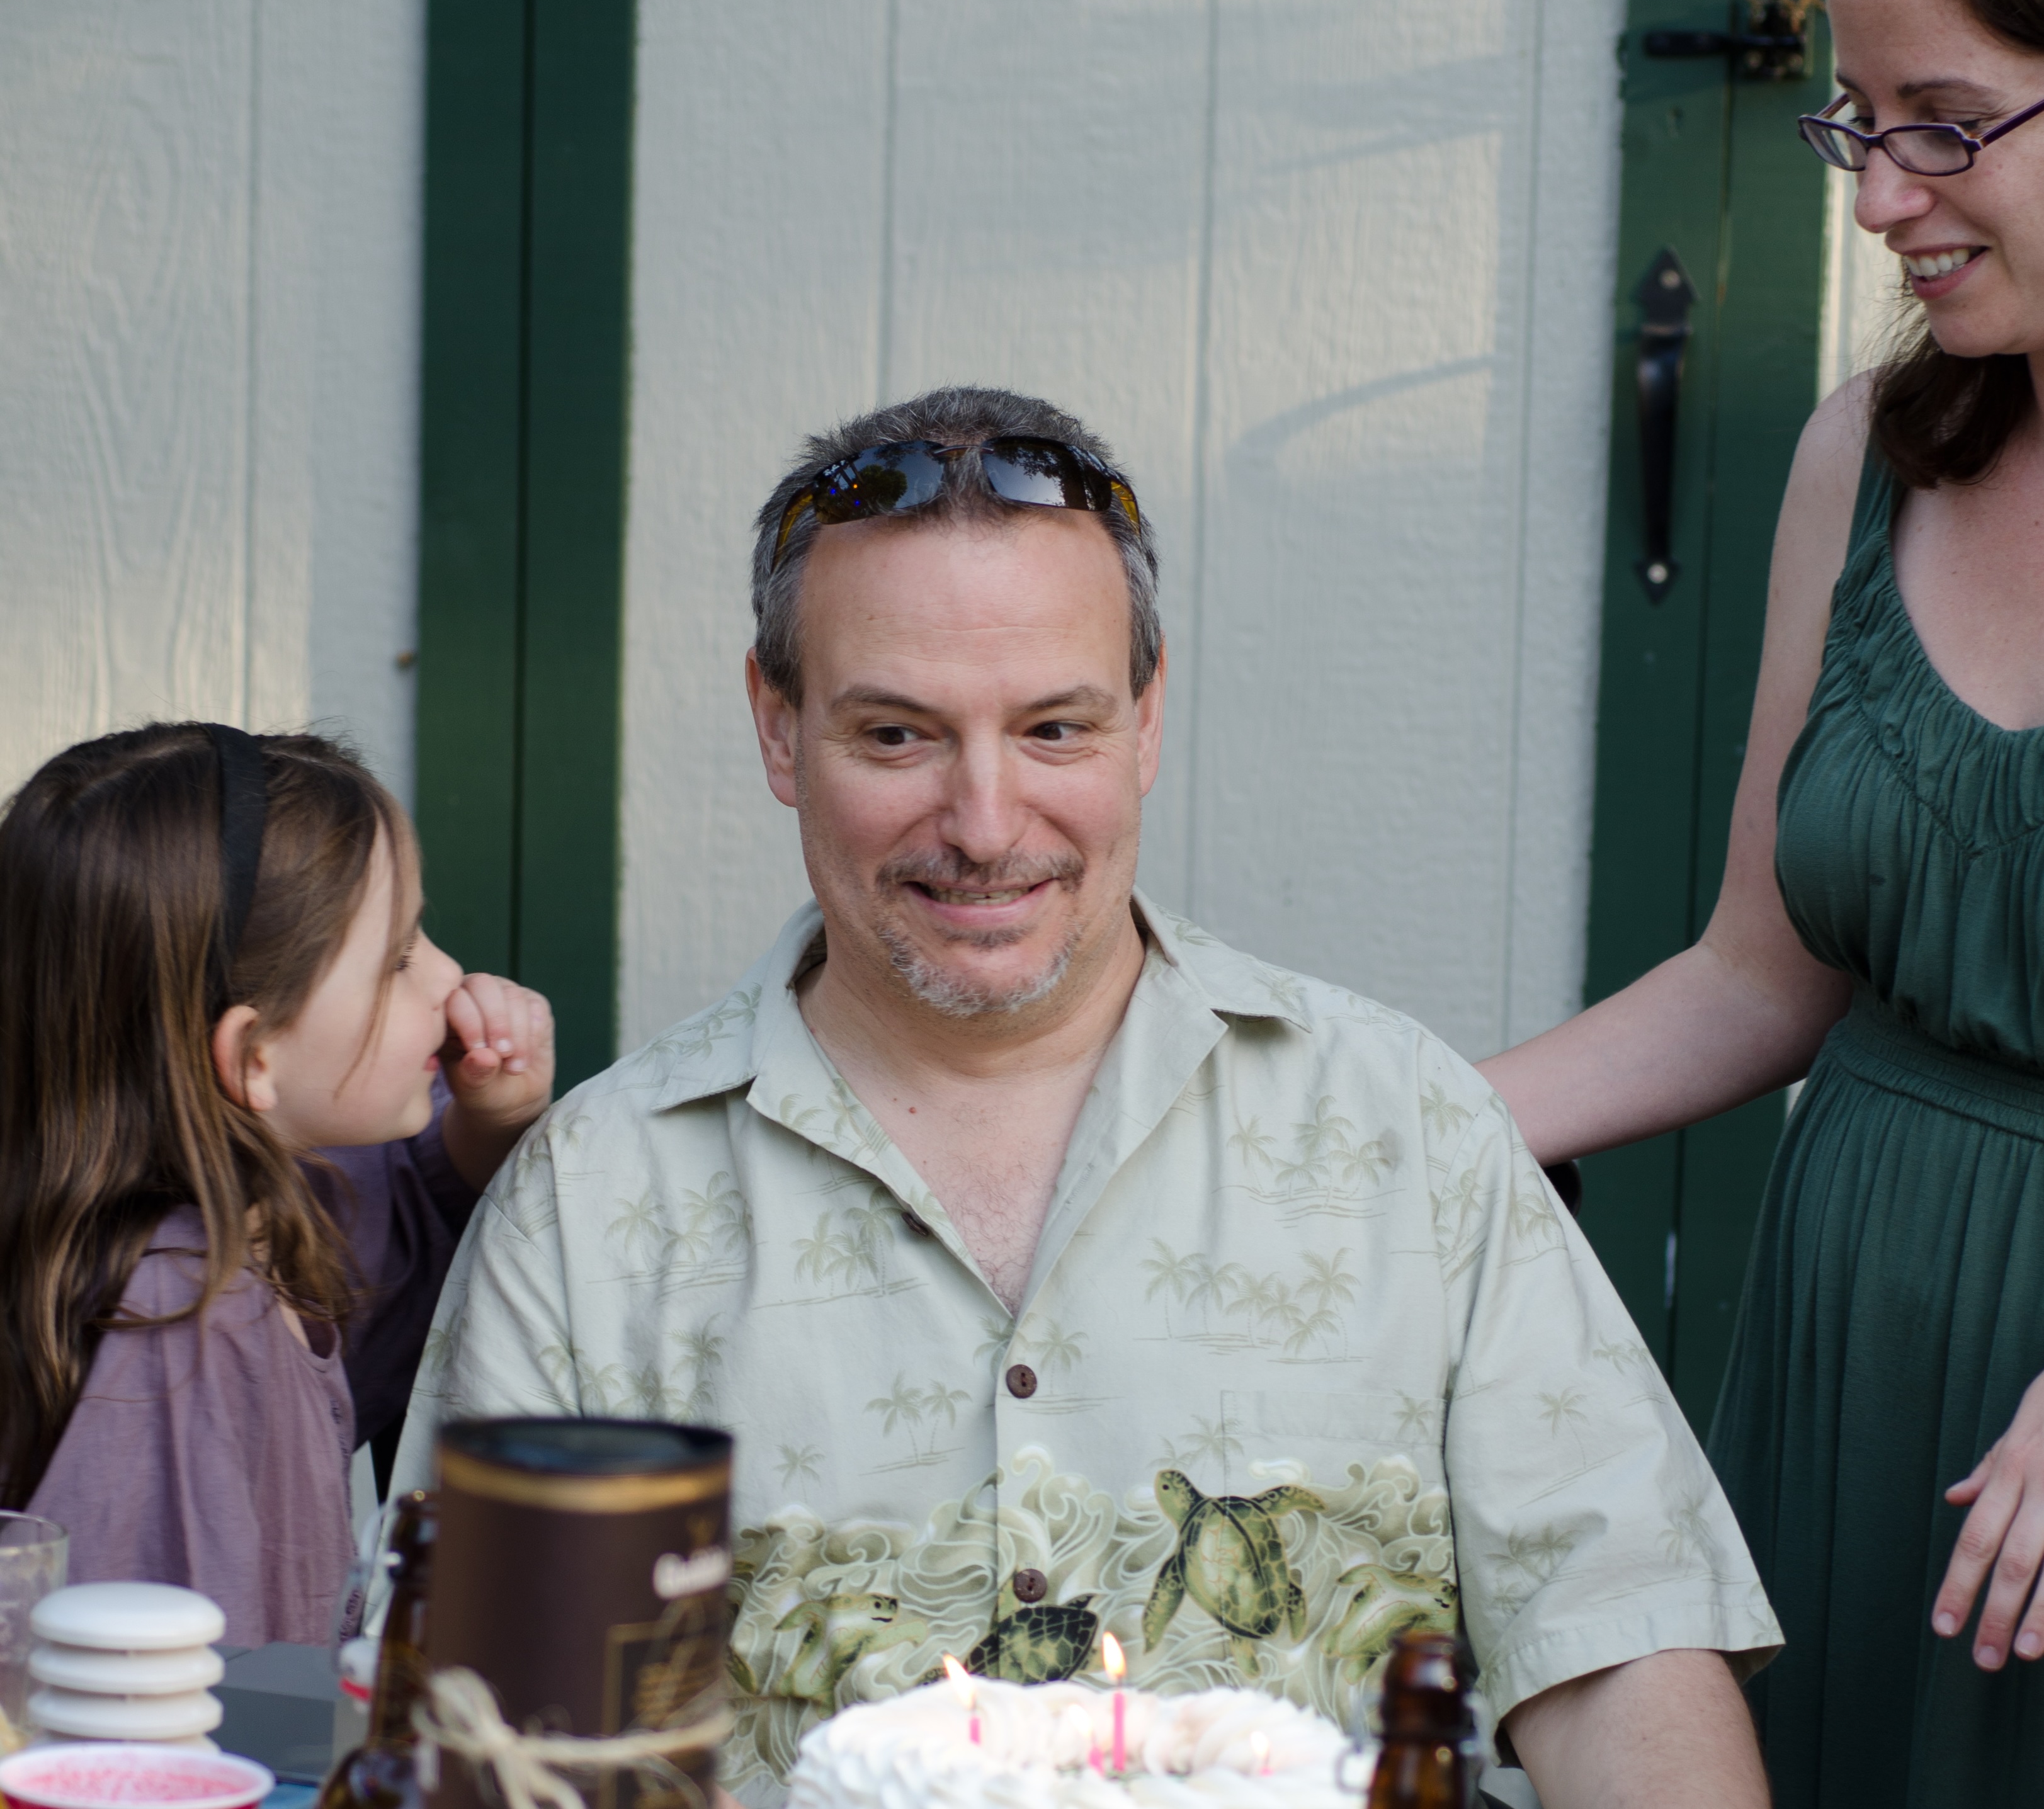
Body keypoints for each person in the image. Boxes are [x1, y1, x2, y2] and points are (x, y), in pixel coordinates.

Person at [403, 388, 1778, 1808]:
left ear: (1147, 718)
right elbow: (485, 1745)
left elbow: (1625, 1656)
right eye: (896, 736)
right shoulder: (592, 1203)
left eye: (1055, 728)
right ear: (777, 725)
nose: (987, 823)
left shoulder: (1406, 1132)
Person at [1476, 0, 2044, 1806]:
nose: (1877, 192)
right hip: (1846, 1368)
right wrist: (1399, 1134)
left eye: (1946, 121)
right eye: (1857, 125)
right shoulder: (1862, 456)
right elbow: (1754, 972)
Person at [0, 723, 554, 1644]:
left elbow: (409, 1219)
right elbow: (170, 1720)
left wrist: (491, 1120)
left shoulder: (250, 1212)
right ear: (254, 1057)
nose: (450, 980)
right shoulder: (188, 1320)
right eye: (397, 960)